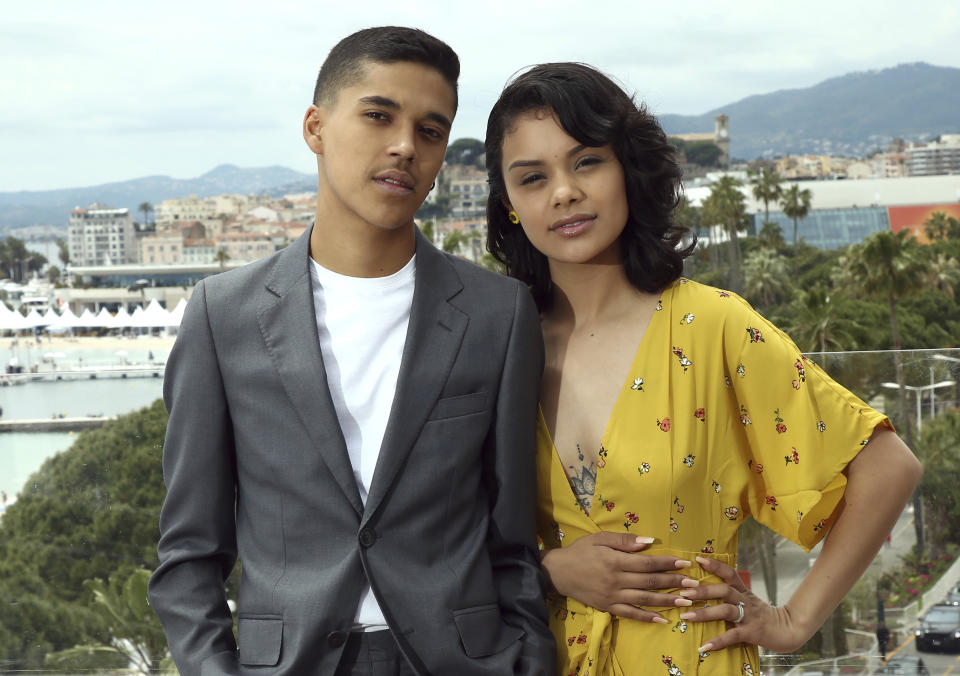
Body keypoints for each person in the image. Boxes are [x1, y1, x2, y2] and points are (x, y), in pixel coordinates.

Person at [484, 62, 922, 675]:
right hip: (540, 659)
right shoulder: (496, 345)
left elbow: (888, 467)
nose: (563, 192)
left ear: (627, 171)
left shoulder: (713, 328)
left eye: (586, 161)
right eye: (533, 177)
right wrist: (551, 568)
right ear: (509, 205)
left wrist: (795, 621)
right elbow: (441, 530)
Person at [148, 27, 554, 676]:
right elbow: (189, 555)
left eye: (430, 130)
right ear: (315, 127)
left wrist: (528, 662)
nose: (404, 146)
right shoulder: (222, 317)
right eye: (377, 115)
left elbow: (512, 543)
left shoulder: (497, 314)